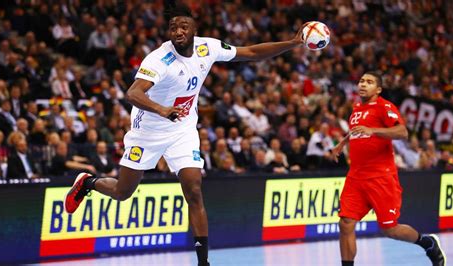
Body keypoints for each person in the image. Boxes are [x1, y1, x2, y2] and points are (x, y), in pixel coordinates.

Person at [64, 4, 304, 266]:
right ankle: (88, 182)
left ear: (194, 30)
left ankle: (203, 262)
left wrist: (292, 43)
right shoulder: (159, 59)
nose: (177, 31)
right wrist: (162, 109)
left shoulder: (207, 48)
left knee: (194, 189)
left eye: (183, 27)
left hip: (183, 128)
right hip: (149, 130)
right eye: (173, 28)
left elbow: (252, 52)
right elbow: (133, 93)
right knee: (123, 192)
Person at [331, 72, 446, 266]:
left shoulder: (384, 107)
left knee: (390, 229)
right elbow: (357, 131)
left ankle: (427, 242)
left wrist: (373, 130)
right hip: (356, 178)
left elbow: (402, 132)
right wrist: (342, 143)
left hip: (381, 178)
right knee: (346, 223)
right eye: (361, 81)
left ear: (378, 89)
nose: (363, 84)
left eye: (369, 82)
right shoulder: (357, 109)